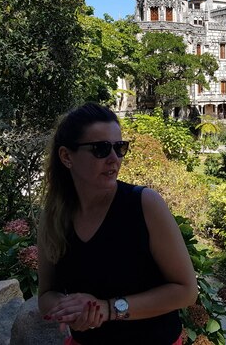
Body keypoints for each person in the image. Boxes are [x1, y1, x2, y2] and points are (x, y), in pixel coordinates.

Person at [37, 103, 197, 344]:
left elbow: (186, 291)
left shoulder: (144, 204)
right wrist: (70, 309)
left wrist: (109, 309)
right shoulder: (54, 215)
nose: (114, 159)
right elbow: (46, 294)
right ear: (66, 156)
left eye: (119, 147)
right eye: (100, 149)